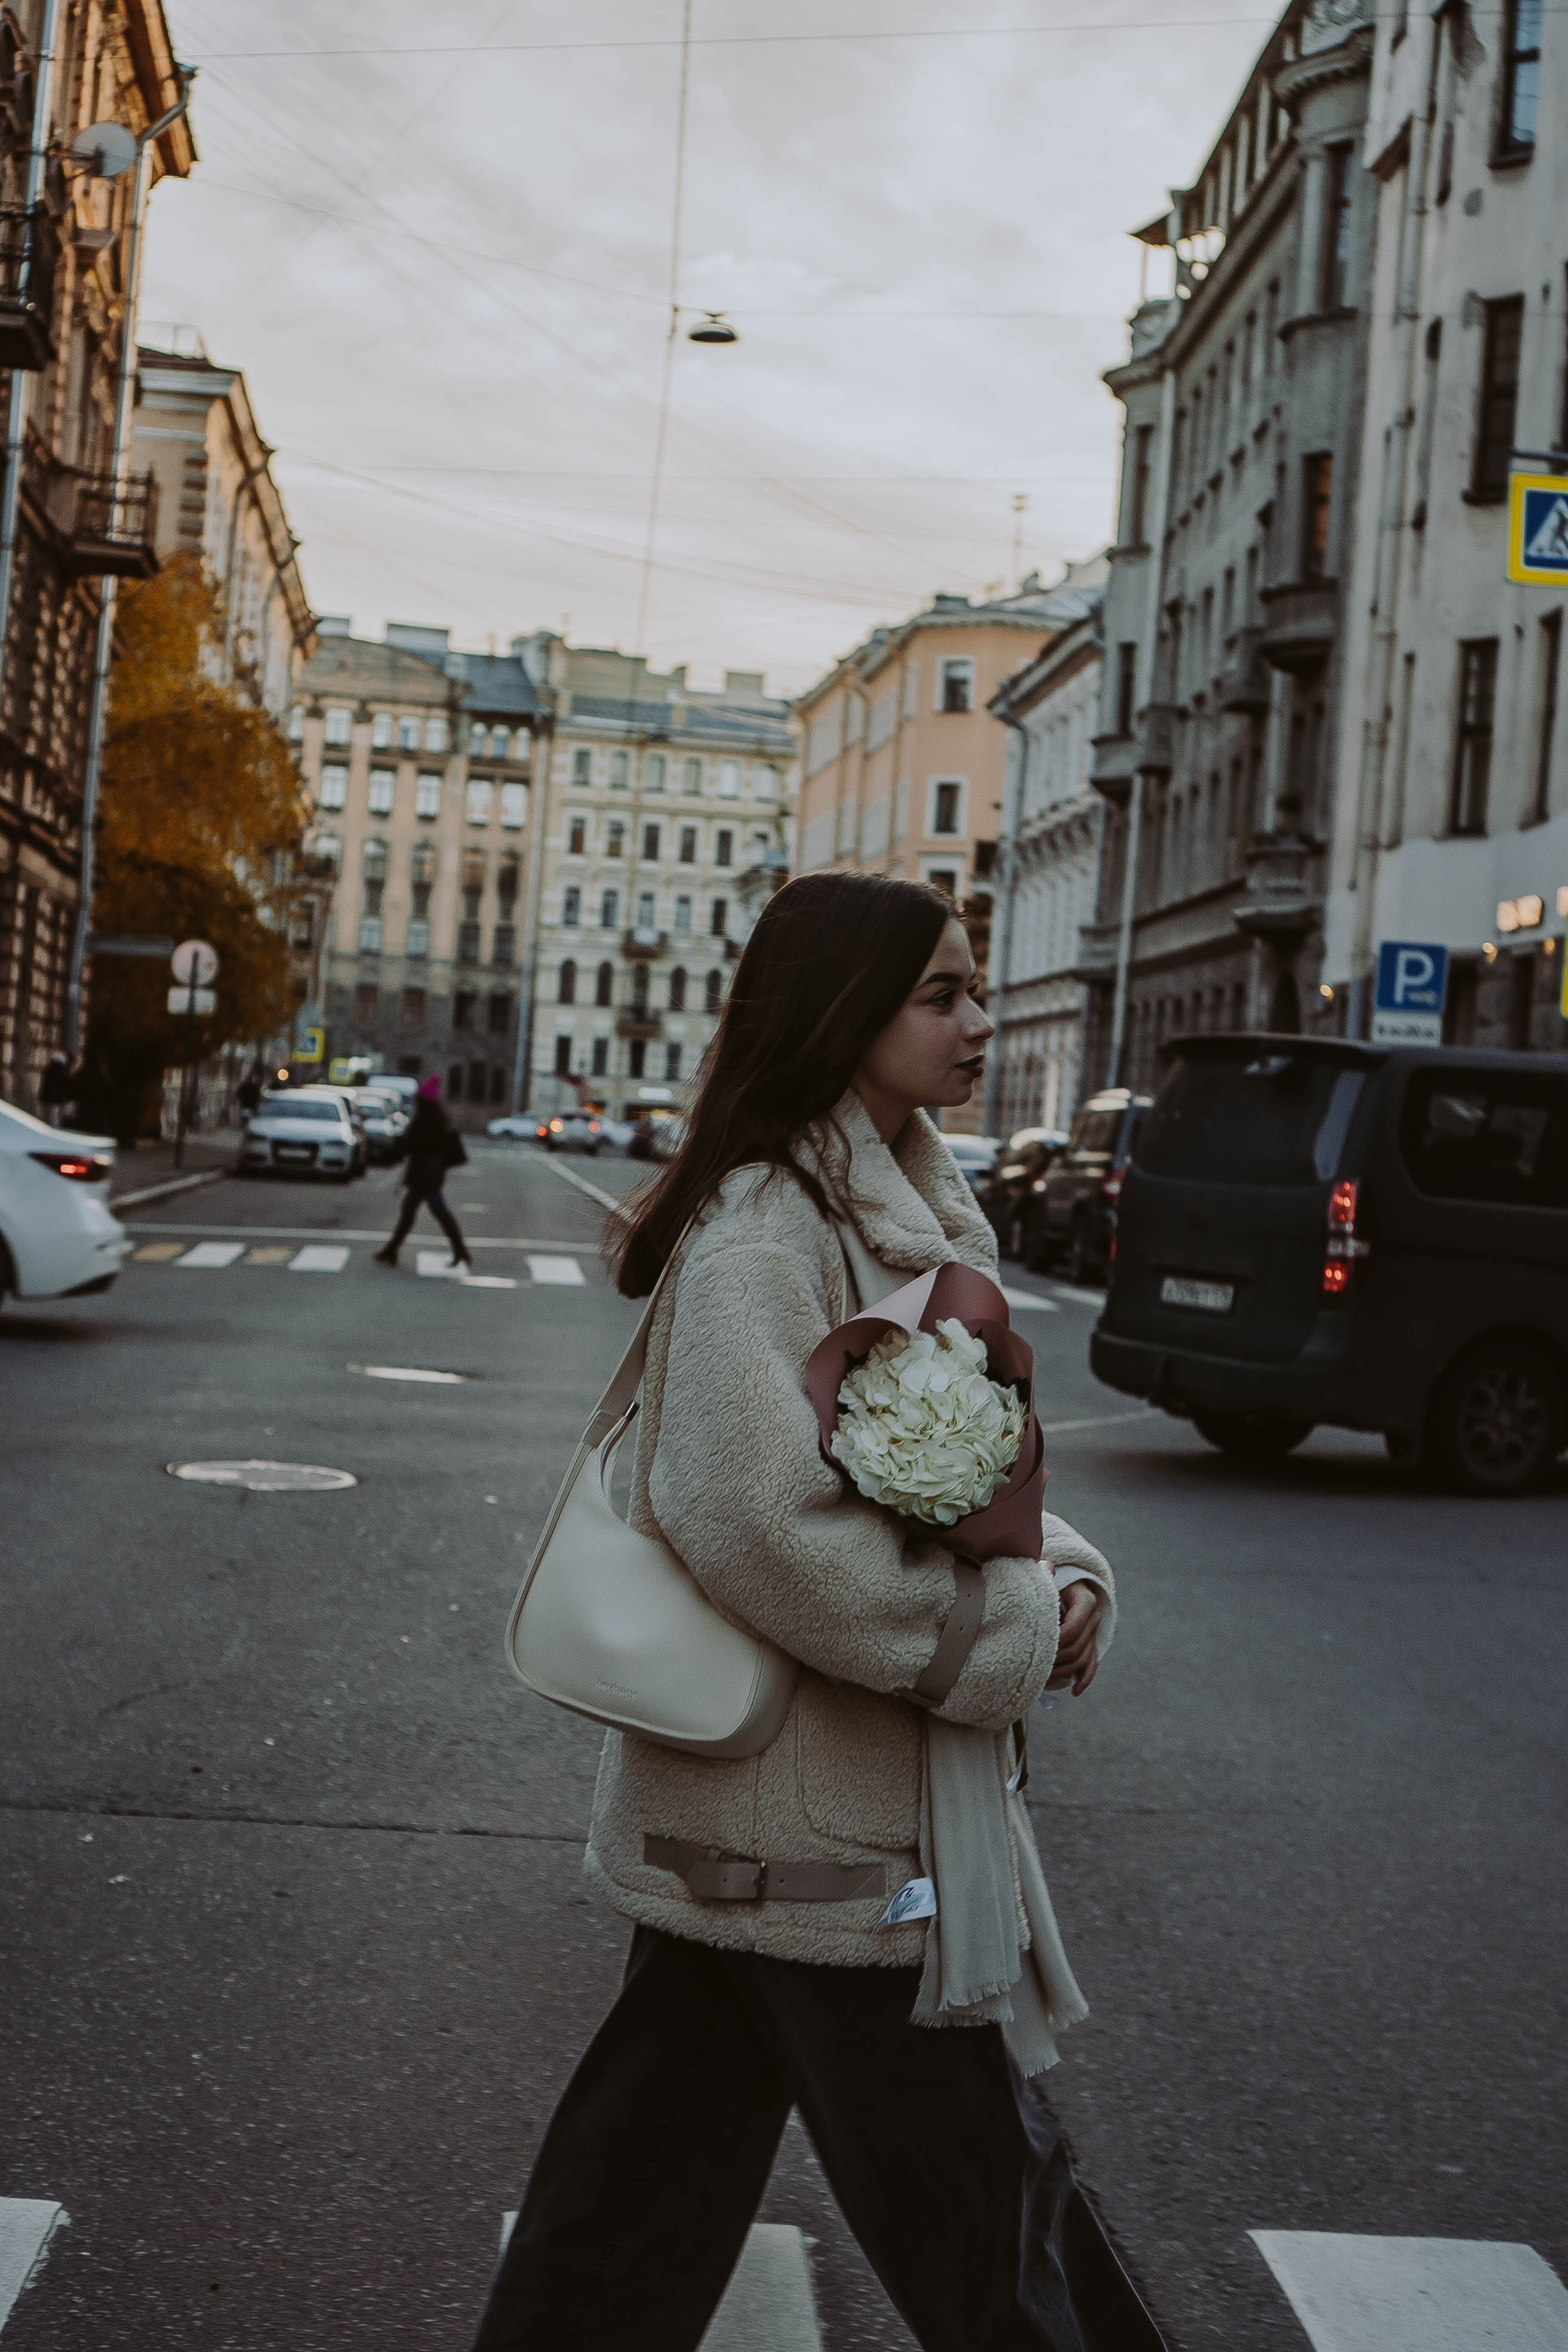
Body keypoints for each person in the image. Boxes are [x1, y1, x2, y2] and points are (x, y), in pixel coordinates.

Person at [469, 874, 1160, 2352]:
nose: (977, 1021)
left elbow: (959, 1469)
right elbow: (759, 1522)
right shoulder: (768, 1231)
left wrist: (1062, 1568)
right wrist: (1007, 1636)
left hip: (776, 1832)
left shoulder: (893, 1201)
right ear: (844, 1016)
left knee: (627, 2220)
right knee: (985, 2221)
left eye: (975, 989)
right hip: (818, 1836)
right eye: (941, 995)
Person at [374, 1074, 472, 1268]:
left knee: (432, 1214)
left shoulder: (425, 1122)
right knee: (416, 1214)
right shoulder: (440, 1120)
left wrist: (388, 1156)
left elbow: (410, 1145)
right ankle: (392, 1250)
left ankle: (460, 1251)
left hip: (424, 1177)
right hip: (430, 1176)